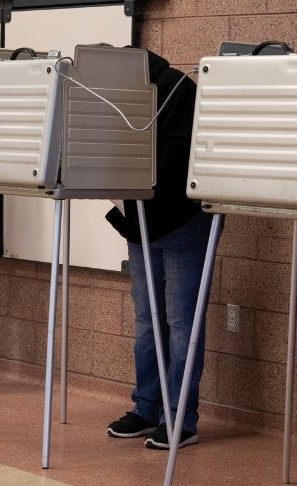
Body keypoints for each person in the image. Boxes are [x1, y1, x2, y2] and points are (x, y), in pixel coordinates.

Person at [104, 48, 216, 450]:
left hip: (182, 220)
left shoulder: (177, 92)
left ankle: (181, 418)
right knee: (148, 322)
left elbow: (173, 165)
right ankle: (147, 407)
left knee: (182, 323)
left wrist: (116, 183)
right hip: (142, 221)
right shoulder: (117, 94)